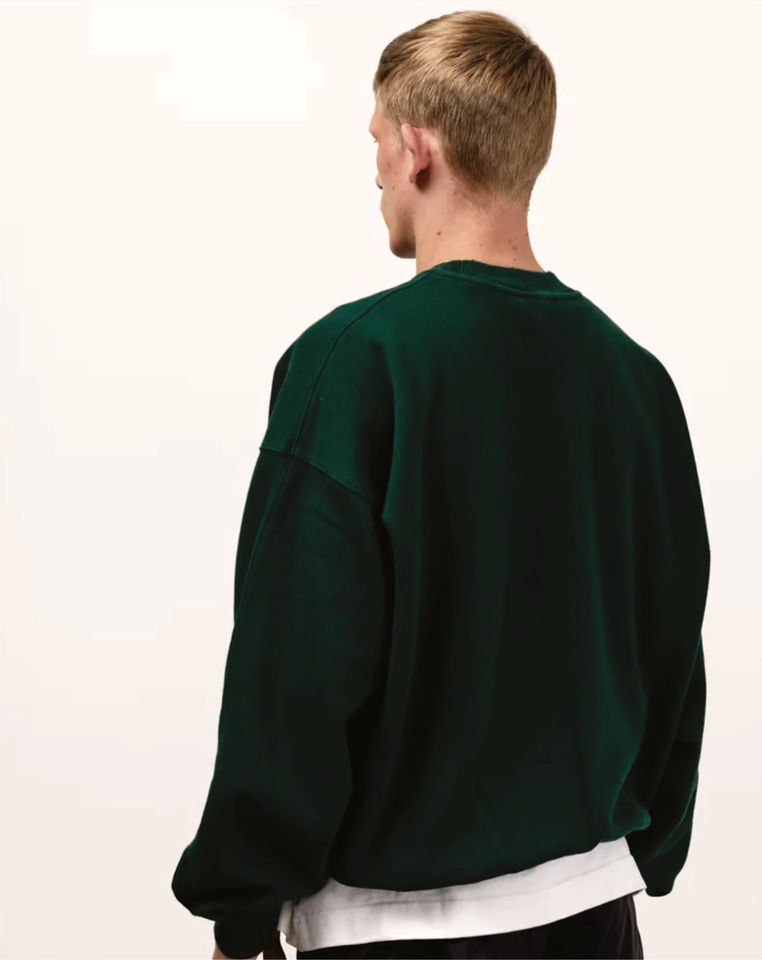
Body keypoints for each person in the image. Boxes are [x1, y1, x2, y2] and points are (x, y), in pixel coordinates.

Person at [172, 10, 710, 960]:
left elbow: (295, 671)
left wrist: (241, 911)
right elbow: (672, 647)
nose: (375, 170)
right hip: (593, 913)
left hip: (401, 932)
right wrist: (649, 843)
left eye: (377, 142)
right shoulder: (636, 381)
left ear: (417, 149)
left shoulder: (354, 363)